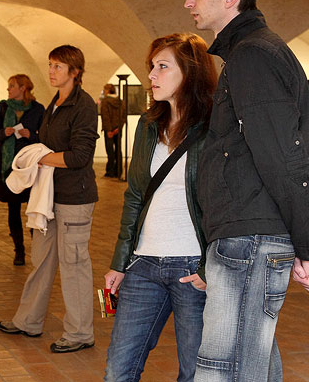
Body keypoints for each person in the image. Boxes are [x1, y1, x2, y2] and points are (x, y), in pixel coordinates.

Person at [184, 0, 309, 381]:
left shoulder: (253, 56)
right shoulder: (250, 54)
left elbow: (284, 157)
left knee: (223, 368)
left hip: (251, 239)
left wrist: (307, 244)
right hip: (248, 233)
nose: (188, 1)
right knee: (254, 363)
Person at [103, 33, 217, 382]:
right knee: (118, 371)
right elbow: (135, 196)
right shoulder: (148, 126)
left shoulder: (215, 127)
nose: (151, 76)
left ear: (191, 72)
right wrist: (120, 263)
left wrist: (211, 265)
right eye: (151, 67)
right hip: (143, 265)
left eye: (162, 67)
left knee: (195, 374)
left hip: (191, 269)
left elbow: (224, 203)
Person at [0, 45, 99, 354]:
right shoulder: (55, 102)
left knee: (74, 263)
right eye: (50, 65)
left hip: (74, 197)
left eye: (58, 66)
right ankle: (29, 320)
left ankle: (80, 333)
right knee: (41, 261)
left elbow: (81, 155)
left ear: (75, 71)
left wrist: (43, 158)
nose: (51, 71)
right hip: (48, 196)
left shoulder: (83, 105)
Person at [0, 74, 45, 266]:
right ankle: (19, 251)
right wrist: (2, 133)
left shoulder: (38, 109)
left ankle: (36, 247)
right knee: (13, 210)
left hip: (30, 167)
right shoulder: (4, 107)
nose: (8, 89)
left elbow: (45, 137)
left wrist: (33, 135)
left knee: (33, 208)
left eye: (12, 86)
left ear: (23, 88)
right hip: (9, 167)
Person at [101, 83, 126, 178]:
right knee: (118, 150)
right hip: (118, 130)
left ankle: (110, 171)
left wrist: (109, 130)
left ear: (108, 91)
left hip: (109, 130)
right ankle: (118, 171)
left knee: (110, 151)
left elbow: (105, 117)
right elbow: (123, 116)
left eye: (104, 90)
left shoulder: (105, 102)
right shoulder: (121, 101)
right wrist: (118, 128)